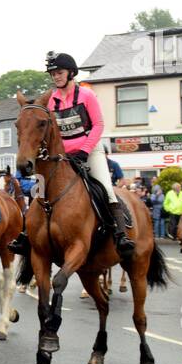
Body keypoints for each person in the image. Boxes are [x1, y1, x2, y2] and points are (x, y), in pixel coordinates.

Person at [37, 52, 134, 258]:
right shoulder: (50, 100)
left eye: (59, 72)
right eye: (53, 74)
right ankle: (27, 234)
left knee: (106, 188)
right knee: (39, 190)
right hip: (62, 157)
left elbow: (98, 125)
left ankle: (121, 234)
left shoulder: (86, 95)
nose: (56, 77)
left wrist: (84, 150)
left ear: (71, 73)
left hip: (89, 151)